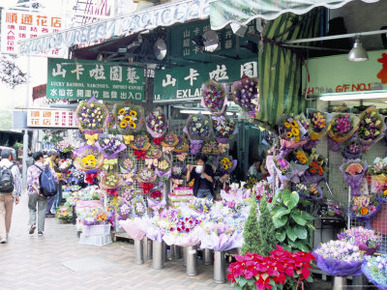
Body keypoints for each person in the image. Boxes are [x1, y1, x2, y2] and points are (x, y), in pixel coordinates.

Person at [27, 151, 59, 236]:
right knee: (42, 210)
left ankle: (33, 223)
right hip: (44, 192)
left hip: (32, 192)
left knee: (32, 208)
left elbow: (29, 182)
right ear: (41, 158)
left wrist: (37, 190)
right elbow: (55, 178)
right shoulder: (47, 167)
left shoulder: (30, 168)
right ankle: (40, 230)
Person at [0, 149, 21, 243]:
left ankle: (2, 234)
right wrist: (18, 195)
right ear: (10, 157)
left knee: (1, 214)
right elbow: (17, 181)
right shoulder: (14, 167)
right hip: (10, 193)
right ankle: (6, 233)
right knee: (8, 214)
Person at [44, 149, 58, 217]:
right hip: (50, 182)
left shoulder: (50, 161)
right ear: (52, 155)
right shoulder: (48, 161)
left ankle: (48, 210)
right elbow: (47, 172)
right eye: (55, 155)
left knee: (51, 197)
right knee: (50, 196)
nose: (55, 157)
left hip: (51, 181)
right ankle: (46, 211)